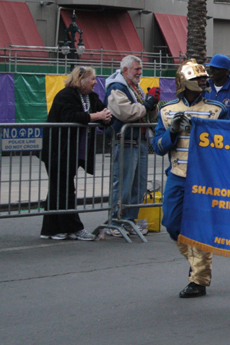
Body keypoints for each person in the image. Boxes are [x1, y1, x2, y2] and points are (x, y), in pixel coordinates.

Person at [153, 60, 227, 298]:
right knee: (172, 224)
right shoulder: (166, 110)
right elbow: (157, 147)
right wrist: (172, 130)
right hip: (178, 176)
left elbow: (226, 144)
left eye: (205, 77)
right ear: (185, 82)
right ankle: (197, 263)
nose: (205, 81)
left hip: (205, 179)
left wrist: (199, 129)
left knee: (200, 230)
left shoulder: (217, 109)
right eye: (199, 79)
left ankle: (199, 280)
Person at [40, 66, 112, 241]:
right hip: (58, 150)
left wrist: (107, 117)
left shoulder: (91, 97)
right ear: (81, 80)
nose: (96, 82)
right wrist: (97, 116)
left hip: (74, 152)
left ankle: (50, 229)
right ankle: (74, 228)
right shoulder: (66, 96)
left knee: (59, 189)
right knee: (64, 189)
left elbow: (103, 114)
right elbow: (72, 116)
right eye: (93, 79)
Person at [104, 55, 159, 236]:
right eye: (136, 69)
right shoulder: (116, 87)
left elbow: (142, 109)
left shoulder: (134, 87)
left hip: (139, 141)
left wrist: (152, 105)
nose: (140, 72)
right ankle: (117, 219)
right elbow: (125, 112)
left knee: (139, 185)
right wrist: (147, 105)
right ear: (125, 70)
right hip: (126, 141)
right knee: (124, 184)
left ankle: (129, 220)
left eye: (140, 68)